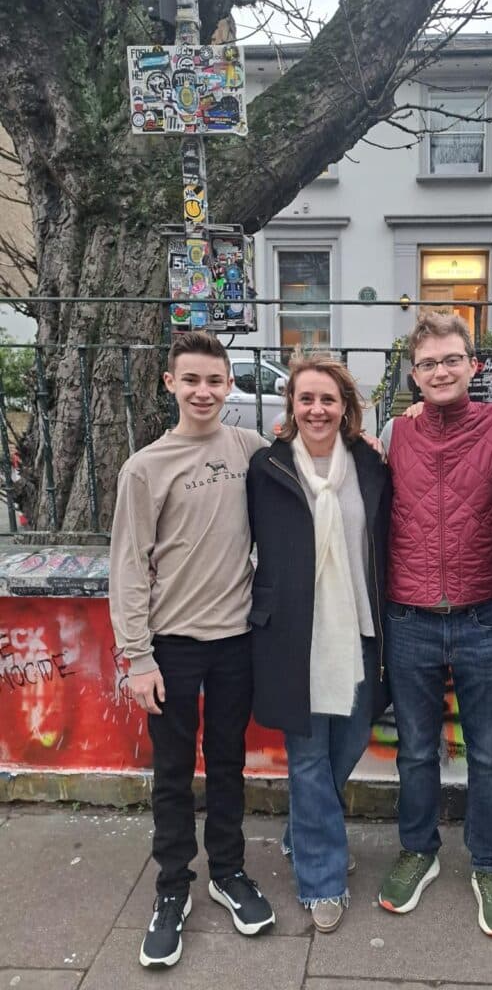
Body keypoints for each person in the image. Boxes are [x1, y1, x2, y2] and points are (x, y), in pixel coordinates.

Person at [109, 331, 275, 970]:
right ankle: (171, 887)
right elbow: (127, 565)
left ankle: (227, 872)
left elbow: (308, 468)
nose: (203, 392)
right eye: (191, 380)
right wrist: (136, 655)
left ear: (230, 384)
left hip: (236, 641)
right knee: (173, 772)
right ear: (169, 383)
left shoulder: (250, 449)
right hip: (170, 647)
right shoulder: (145, 467)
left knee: (230, 763)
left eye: (215, 381)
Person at [377, 312, 492, 936]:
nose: (440, 372)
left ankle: (490, 865)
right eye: (427, 364)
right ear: (413, 375)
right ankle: (418, 850)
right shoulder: (394, 434)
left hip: (483, 615)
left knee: (491, 757)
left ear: (475, 367)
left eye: (451, 360)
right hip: (409, 617)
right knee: (417, 751)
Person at [246, 353, 390, 934]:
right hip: (294, 634)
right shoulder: (268, 467)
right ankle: (321, 879)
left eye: (328, 399)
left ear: (345, 407)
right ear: (291, 407)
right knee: (307, 759)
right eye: (306, 399)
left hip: (361, 627)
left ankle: (303, 831)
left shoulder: (371, 465)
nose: (317, 409)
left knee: (350, 741)